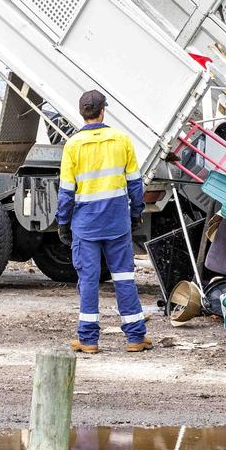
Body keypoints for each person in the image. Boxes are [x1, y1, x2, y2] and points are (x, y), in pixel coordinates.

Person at [57, 89, 150, 354]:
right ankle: (135, 337)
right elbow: (135, 185)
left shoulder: (73, 145)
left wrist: (63, 223)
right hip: (117, 221)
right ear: (103, 111)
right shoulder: (121, 141)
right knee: (123, 277)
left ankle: (88, 340)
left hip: (86, 224)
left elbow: (66, 192)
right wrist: (134, 215)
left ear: (81, 112)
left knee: (88, 279)